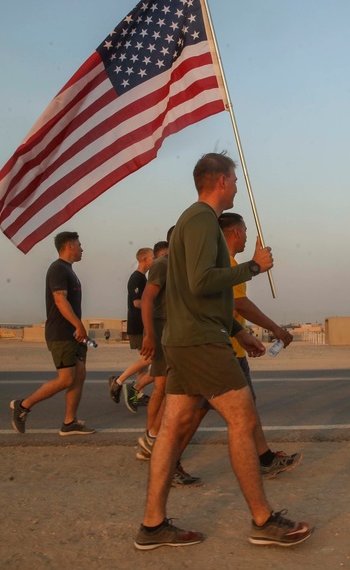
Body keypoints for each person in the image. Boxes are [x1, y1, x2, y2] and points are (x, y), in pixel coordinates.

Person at [134, 152, 313, 550]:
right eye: (234, 179)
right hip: (200, 342)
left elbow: (190, 293)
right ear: (220, 181)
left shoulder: (189, 223)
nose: (237, 185)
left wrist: (236, 329)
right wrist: (253, 267)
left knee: (173, 427)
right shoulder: (200, 220)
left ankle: (152, 526)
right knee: (243, 418)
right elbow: (201, 283)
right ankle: (263, 520)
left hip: (188, 337)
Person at [219, 211, 303, 477]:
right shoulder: (229, 266)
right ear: (235, 233)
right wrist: (275, 328)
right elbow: (239, 304)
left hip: (231, 347)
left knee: (198, 414)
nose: (245, 236)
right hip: (225, 352)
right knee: (240, 411)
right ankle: (259, 465)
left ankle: (265, 458)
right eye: (244, 231)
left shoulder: (226, 264)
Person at [10, 231, 94, 436]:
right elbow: (59, 299)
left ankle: (69, 422)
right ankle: (24, 405)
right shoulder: (58, 269)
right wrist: (78, 325)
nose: (82, 248)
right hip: (62, 333)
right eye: (79, 244)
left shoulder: (69, 270)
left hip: (73, 334)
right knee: (66, 378)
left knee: (79, 375)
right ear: (69, 246)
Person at [136, 235, 202, 487]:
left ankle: (153, 441)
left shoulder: (187, 267)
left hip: (178, 336)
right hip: (164, 335)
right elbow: (147, 299)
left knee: (171, 392)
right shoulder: (163, 265)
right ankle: (153, 440)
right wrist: (150, 334)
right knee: (167, 391)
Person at [108, 247, 155, 412]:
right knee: (148, 360)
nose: (154, 261)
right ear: (144, 259)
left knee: (144, 365)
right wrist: (155, 308)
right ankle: (118, 382)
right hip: (138, 325)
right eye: (153, 258)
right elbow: (137, 303)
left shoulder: (143, 278)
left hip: (142, 325)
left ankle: (138, 394)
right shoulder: (137, 278)